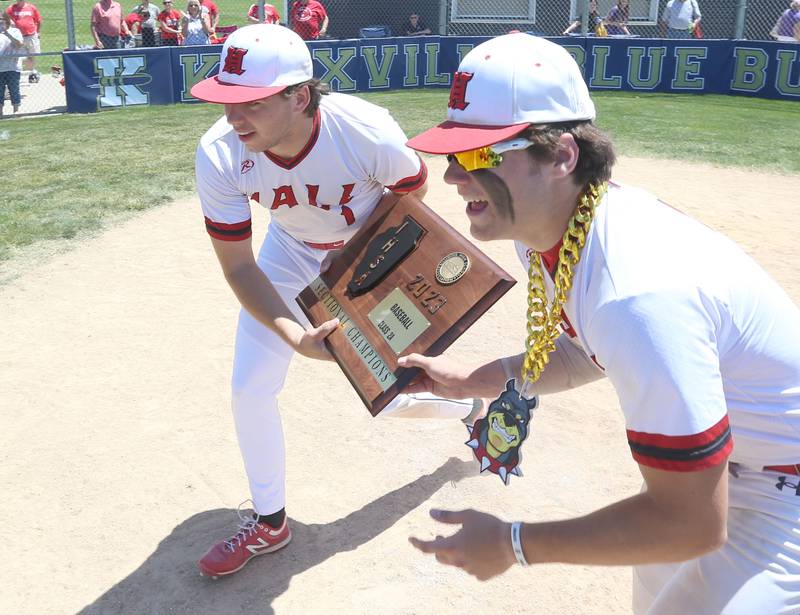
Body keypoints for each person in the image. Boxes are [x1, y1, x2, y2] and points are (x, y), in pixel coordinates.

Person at [400, 33, 800, 613]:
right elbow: (583, 353)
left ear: (562, 155)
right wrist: (470, 381)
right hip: (724, 471)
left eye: (481, 155)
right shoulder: (558, 224)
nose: (454, 177)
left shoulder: (637, 291)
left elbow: (688, 521)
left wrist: (514, 544)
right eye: (452, 156)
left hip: (782, 492)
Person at [188, 23, 483, 579]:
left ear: (300, 96)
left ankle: (466, 408)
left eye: (249, 101)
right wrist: (296, 335)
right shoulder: (221, 153)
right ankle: (270, 522)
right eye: (227, 99)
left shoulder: (362, 129)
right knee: (249, 387)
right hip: (287, 250)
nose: (232, 116)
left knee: (387, 392)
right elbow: (239, 266)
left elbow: (411, 192)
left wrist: (356, 261)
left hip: (369, 254)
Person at [5, 0, 40, 83]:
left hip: (31, 35)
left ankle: (32, 73)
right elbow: (5, 18)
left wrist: (38, 32)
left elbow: (38, 20)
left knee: (33, 55)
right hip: (17, 37)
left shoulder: (31, 7)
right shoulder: (11, 8)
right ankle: (17, 74)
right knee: (17, 56)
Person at [0, 12, 22, 116]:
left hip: (13, 66)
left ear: (6, 19)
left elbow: (19, 45)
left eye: (1, 19)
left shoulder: (15, 31)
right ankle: (0, 112)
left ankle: (16, 110)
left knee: (14, 89)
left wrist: (7, 34)